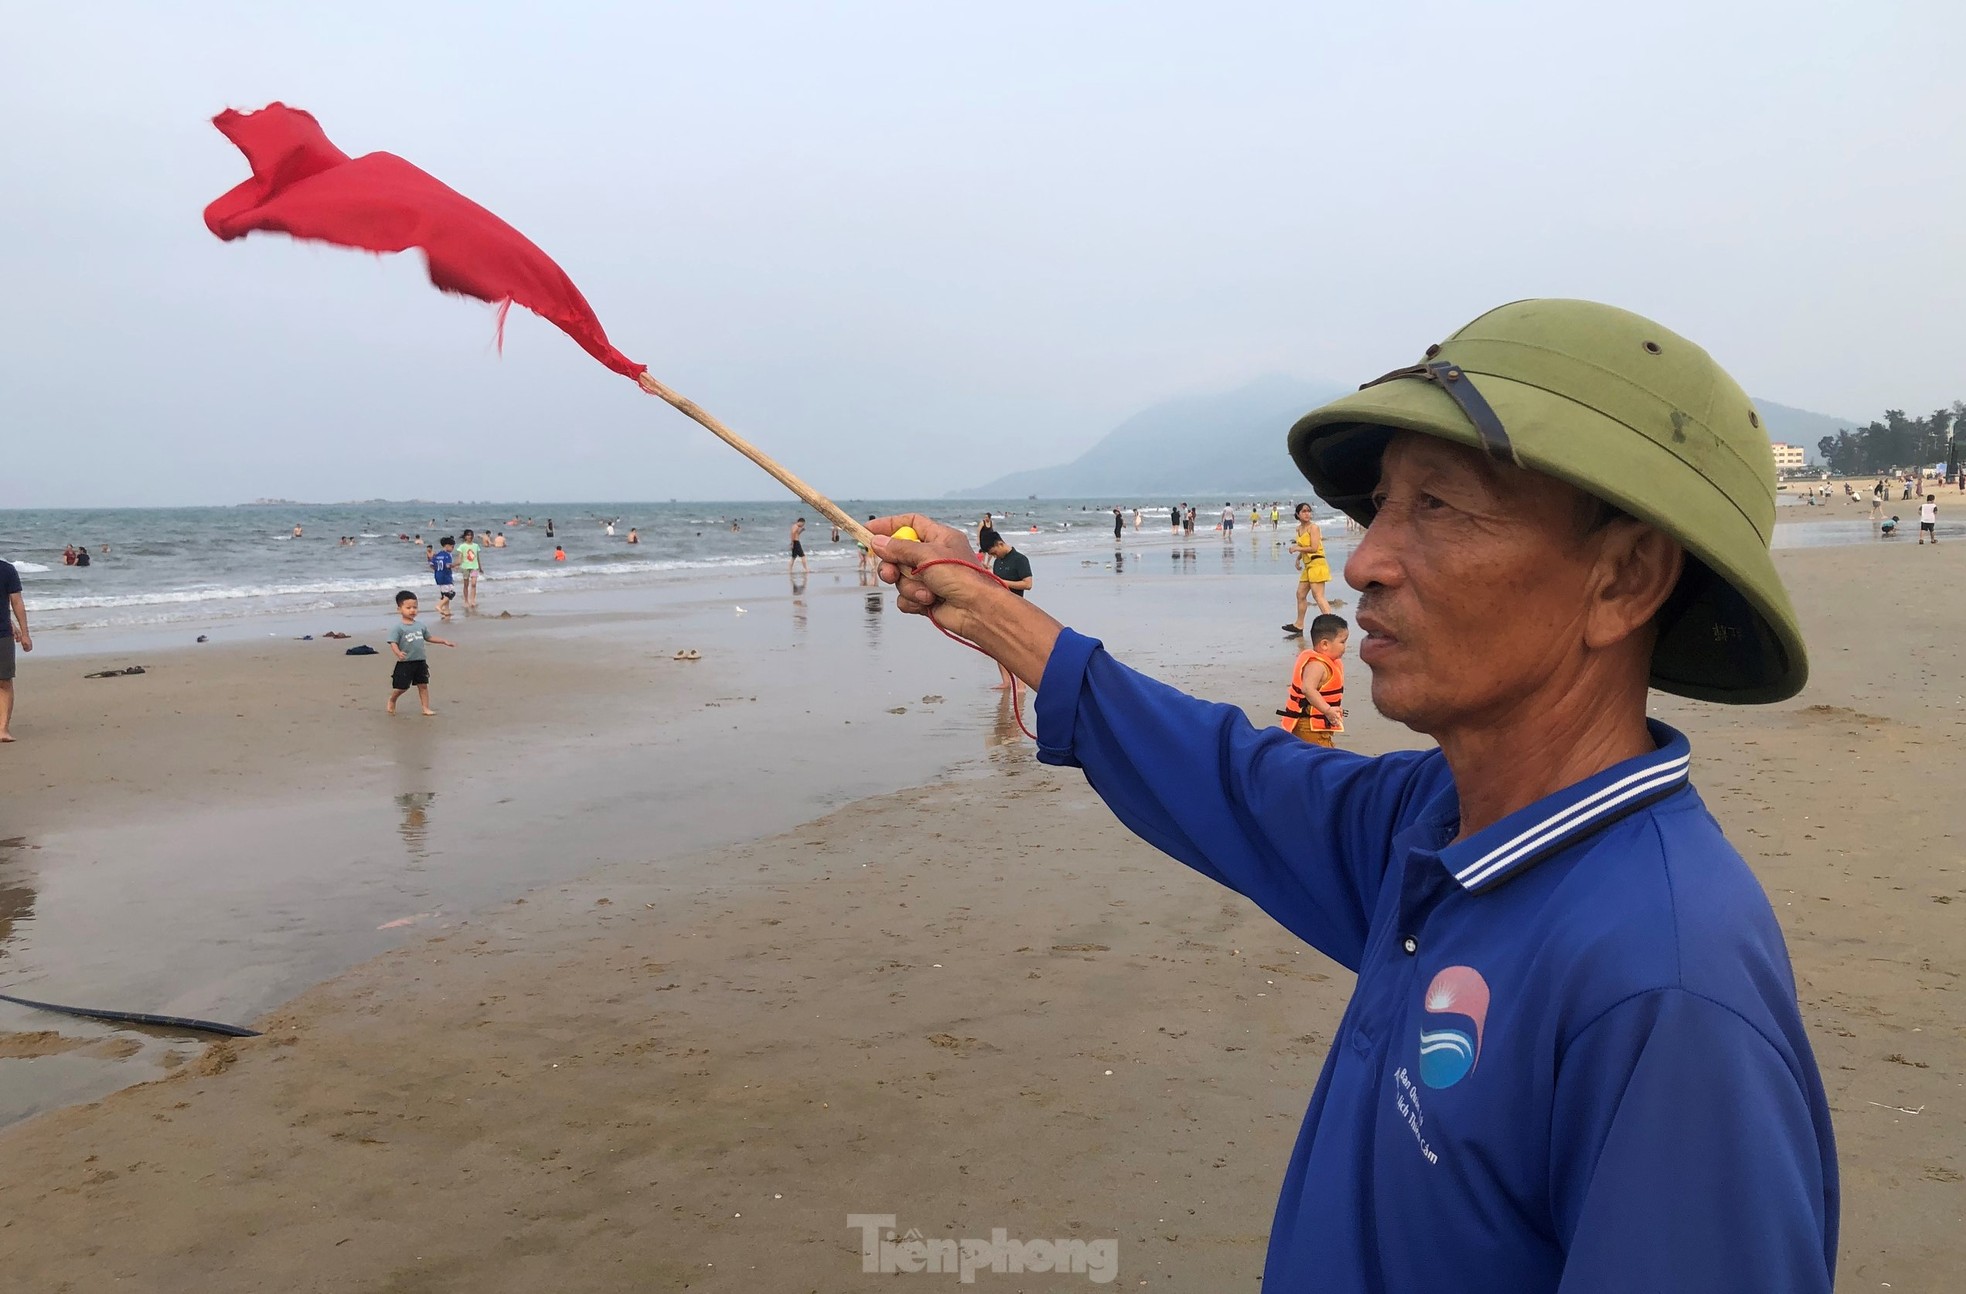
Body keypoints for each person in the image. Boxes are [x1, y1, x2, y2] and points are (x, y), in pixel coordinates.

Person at [869, 299, 1836, 1293]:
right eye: (1379, 505)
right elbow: (1233, 778)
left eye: (1438, 506)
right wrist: (994, 613)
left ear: (1623, 579)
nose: (1367, 559)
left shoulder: (1663, 986)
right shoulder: (1438, 827)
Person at [1277, 613, 1348, 746]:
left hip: (1317, 727)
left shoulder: (1329, 663)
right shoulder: (1317, 665)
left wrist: (1333, 708)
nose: (1345, 646)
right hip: (1307, 725)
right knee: (1322, 761)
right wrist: (1327, 709)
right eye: (1342, 642)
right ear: (1325, 644)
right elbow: (1307, 689)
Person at [385, 590, 455, 716]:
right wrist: (398, 653)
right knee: (402, 687)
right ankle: (392, 699)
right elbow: (393, 642)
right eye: (408, 608)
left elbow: (429, 637)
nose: (412, 610)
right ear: (399, 609)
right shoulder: (398, 628)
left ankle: (425, 708)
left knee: (423, 685)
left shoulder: (420, 626)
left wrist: (443, 641)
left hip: (420, 661)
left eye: (415, 607)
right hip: (405, 662)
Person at [981, 528, 1032, 691]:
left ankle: (1021, 684)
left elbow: (1028, 584)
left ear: (1000, 543)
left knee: (1016, 647)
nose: (994, 556)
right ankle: (1006, 681)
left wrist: (1003, 582)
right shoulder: (997, 562)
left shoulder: (1020, 559)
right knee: (997, 646)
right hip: (999, 608)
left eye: (994, 552)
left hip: (1016, 608)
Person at [1283, 502, 1335, 634]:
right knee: (1300, 594)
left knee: (1318, 596)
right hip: (1308, 566)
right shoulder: (1299, 529)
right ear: (1297, 514)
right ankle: (1299, 625)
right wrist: (1298, 558)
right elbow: (1304, 546)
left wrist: (1297, 548)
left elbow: (1314, 547)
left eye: (1308, 511)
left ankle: (1332, 626)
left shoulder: (1314, 528)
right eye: (1304, 511)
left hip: (1317, 563)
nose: (1307, 514)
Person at [1, 557, 29, 742]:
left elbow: (16, 602)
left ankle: (2, 729)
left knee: (4, 681)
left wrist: (25, 633)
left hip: (1, 634)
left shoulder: (6, 570)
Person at [429, 536, 458, 620]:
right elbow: (448, 565)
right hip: (446, 576)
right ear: (447, 546)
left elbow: (431, 565)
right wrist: (457, 564)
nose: (453, 548)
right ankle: (439, 605)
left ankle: (446, 611)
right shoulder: (447, 555)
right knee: (451, 593)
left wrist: (438, 570)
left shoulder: (437, 555)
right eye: (452, 546)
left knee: (444, 594)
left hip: (438, 576)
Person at [456, 529, 482, 611]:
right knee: (466, 584)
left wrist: (480, 567)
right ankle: (466, 600)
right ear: (465, 536)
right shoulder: (462, 546)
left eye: (471, 535)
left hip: (474, 566)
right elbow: (460, 557)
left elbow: (477, 557)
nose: (469, 536)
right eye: (468, 535)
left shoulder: (476, 545)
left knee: (474, 584)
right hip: (465, 567)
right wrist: (457, 565)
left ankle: (473, 600)